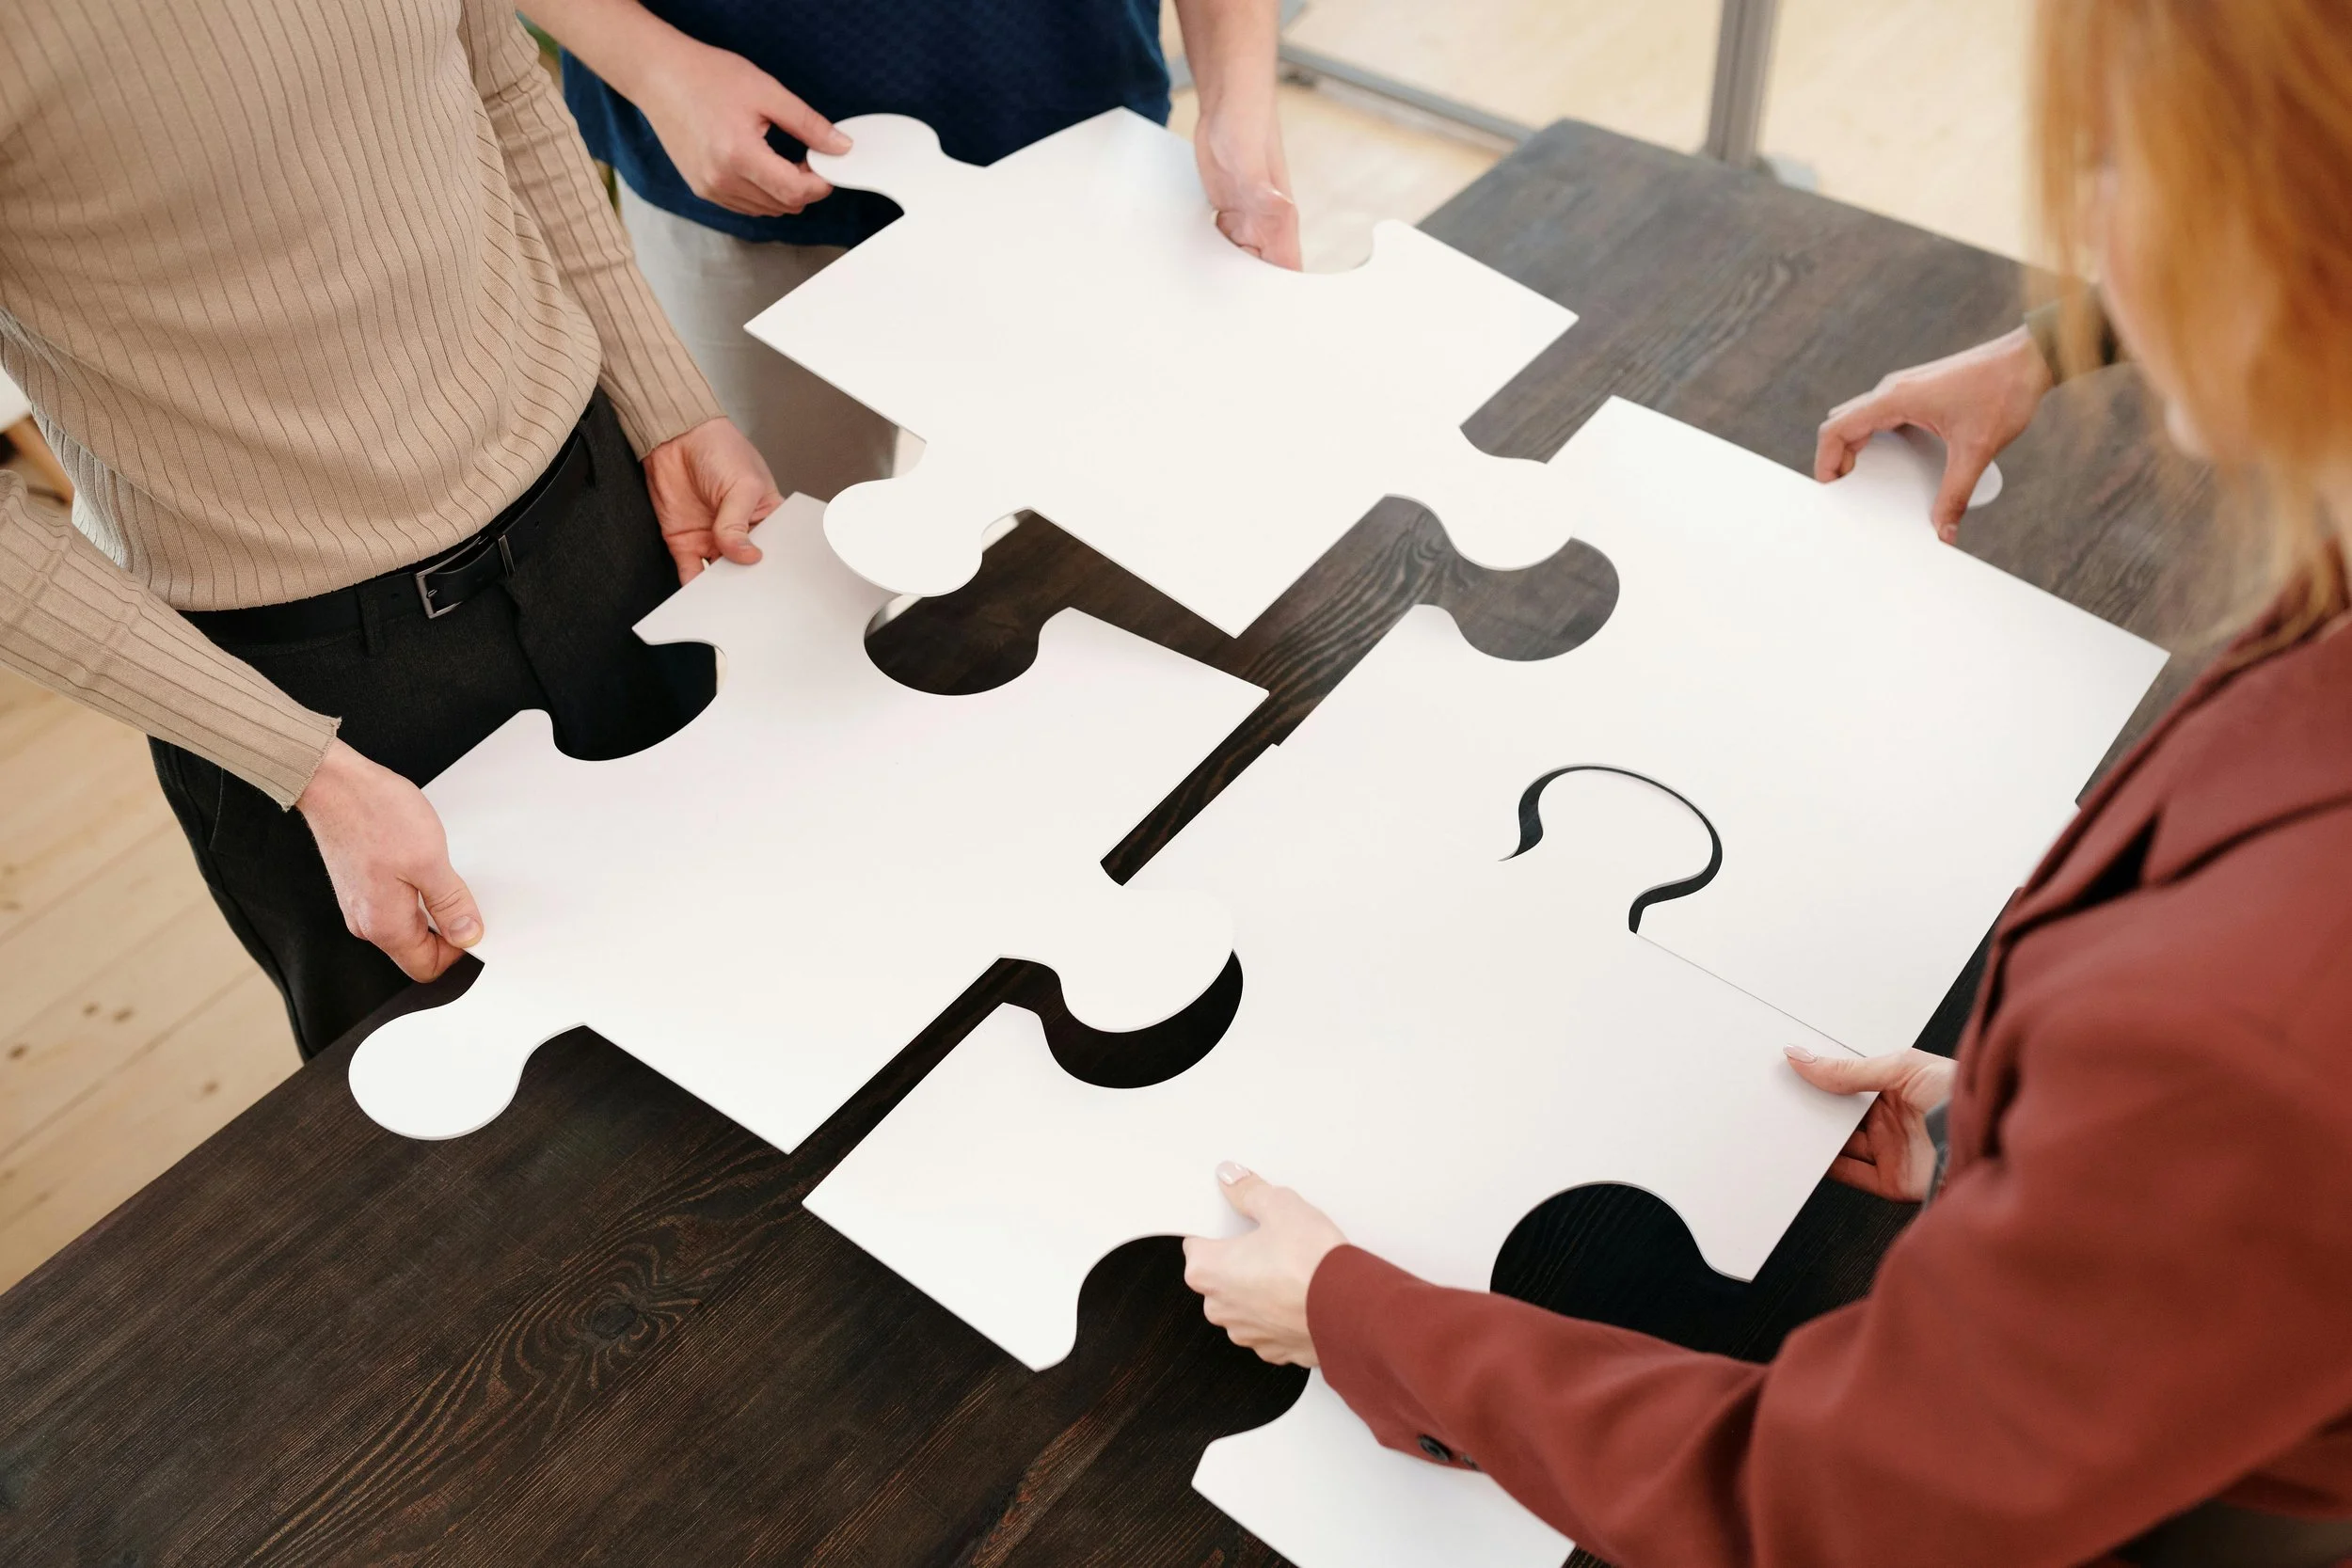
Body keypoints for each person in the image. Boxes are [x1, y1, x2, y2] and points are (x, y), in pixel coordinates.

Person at [1181, 2, 2352, 1564]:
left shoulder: (2248, 1024)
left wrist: (1363, 1317)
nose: (2074, 224)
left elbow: (1829, 1505)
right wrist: (2050, 1148)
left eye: (2115, 164)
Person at [0, 0, 782, 1057]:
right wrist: (303, 768)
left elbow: (494, 84)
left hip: (605, 529)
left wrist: (668, 405)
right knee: (514, 1172)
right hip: (313, 700)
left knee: (759, 987)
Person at [522, 0, 1297, 501]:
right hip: (739, 175)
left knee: (1125, 535)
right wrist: (658, 69)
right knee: (799, 580)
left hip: (1080, 147)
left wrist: (1240, 99)